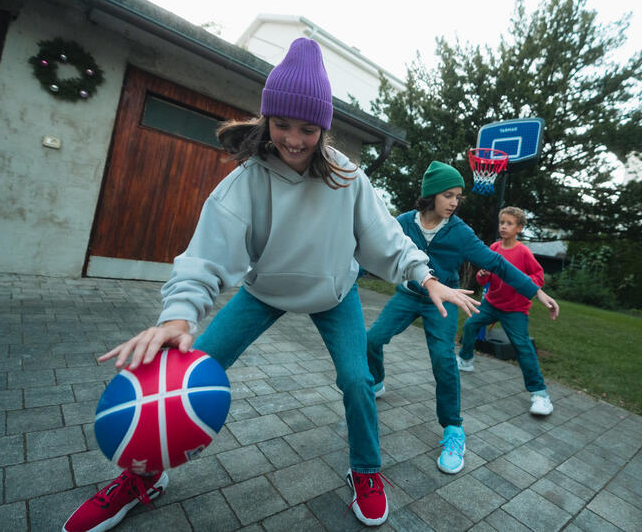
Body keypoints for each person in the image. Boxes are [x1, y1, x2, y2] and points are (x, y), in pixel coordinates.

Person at [62, 38, 480, 532]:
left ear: (323, 127)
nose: (295, 139)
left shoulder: (348, 178)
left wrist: (423, 275)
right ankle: (143, 478)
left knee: (357, 379)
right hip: (263, 292)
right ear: (266, 120)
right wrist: (179, 315)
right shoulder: (247, 181)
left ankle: (365, 470)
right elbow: (206, 255)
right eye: (282, 124)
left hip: (333, 294)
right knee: (178, 375)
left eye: (307, 128)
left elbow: (384, 238)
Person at [366, 162, 559, 475]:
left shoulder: (459, 231)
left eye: (458, 196)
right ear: (430, 195)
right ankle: (376, 380)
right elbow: (376, 252)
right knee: (372, 339)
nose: (454, 202)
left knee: (443, 359)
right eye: (448, 195)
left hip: (444, 300)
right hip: (408, 295)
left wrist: (535, 292)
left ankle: (454, 430)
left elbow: (497, 263)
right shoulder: (403, 223)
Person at [457, 206, 555, 416]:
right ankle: (465, 360)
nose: (504, 226)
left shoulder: (524, 252)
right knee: (470, 324)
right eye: (502, 222)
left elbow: (538, 276)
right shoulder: (493, 247)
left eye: (509, 223)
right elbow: (483, 279)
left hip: (515, 309)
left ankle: (540, 394)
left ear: (518, 228)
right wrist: (483, 274)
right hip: (492, 304)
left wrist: (522, 284)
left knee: (522, 347)